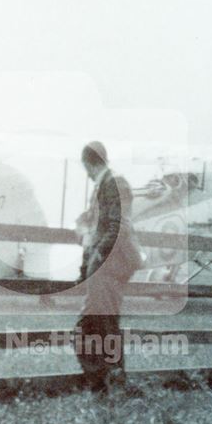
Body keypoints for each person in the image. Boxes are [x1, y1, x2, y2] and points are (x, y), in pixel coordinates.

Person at [74, 142, 142, 394]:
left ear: (89, 164)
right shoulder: (105, 185)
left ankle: (107, 384)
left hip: (109, 264)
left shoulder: (115, 184)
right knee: (101, 325)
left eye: (86, 168)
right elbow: (102, 223)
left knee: (94, 327)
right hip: (107, 264)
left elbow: (118, 226)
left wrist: (97, 256)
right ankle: (109, 383)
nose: (87, 173)